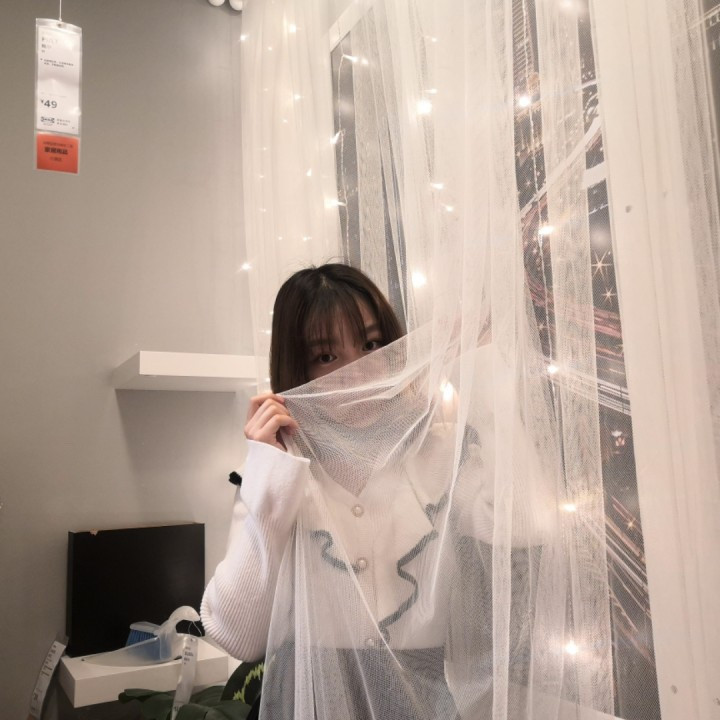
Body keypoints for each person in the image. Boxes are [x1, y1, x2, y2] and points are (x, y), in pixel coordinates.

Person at [201, 263, 551, 719]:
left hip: (419, 706)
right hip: (308, 704)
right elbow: (236, 635)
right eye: (327, 356)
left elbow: (527, 524)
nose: (359, 374)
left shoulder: (437, 453)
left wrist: (480, 372)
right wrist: (268, 476)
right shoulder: (279, 473)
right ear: (297, 367)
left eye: (371, 345)